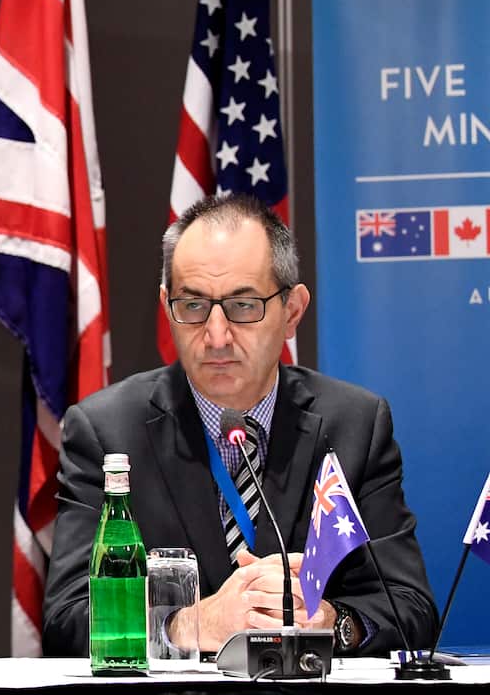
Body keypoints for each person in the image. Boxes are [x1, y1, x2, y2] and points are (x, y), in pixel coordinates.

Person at [41, 194, 438, 657]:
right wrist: (189, 625)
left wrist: (331, 622)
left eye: (244, 306)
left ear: (292, 311)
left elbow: (410, 610)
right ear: (167, 307)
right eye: (193, 305)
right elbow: (66, 619)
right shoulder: (107, 431)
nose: (216, 336)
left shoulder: (355, 425)